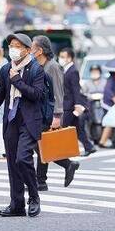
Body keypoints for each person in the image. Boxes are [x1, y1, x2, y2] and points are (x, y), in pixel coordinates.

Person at [0, 33, 45, 218]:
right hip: (11, 121)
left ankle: (34, 196)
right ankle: (16, 205)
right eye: (11, 46)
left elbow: (37, 95)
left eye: (17, 46)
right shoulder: (5, 69)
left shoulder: (36, 69)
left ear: (27, 49)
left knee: (23, 158)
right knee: (12, 164)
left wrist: (17, 81)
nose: (13, 49)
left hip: (29, 122)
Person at [32, 36, 80, 191]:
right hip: (42, 112)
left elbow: (59, 93)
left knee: (40, 144)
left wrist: (57, 115)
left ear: (40, 50)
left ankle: (42, 180)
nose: (30, 50)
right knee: (41, 145)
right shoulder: (41, 66)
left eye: (32, 47)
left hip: (51, 113)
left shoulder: (53, 67)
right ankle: (46, 178)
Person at [58, 47, 96, 156]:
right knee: (77, 129)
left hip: (70, 105)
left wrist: (77, 105)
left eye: (63, 57)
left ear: (69, 58)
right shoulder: (66, 69)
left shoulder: (73, 71)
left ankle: (64, 151)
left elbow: (76, 89)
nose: (61, 59)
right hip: (68, 104)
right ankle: (89, 147)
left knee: (63, 128)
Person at [81, 64, 106, 146]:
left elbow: (108, 92)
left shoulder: (104, 82)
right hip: (91, 104)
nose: (95, 73)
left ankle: (102, 137)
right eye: (93, 72)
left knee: (103, 121)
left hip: (102, 104)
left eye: (96, 71)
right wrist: (90, 96)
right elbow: (83, 93)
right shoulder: (87, 83)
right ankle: (93, 137)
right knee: (90, 121)